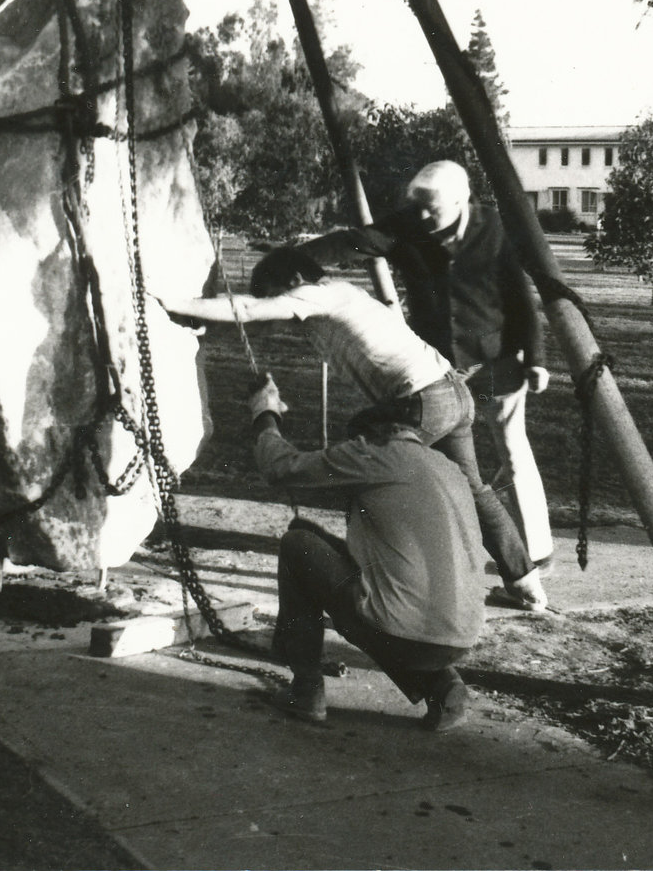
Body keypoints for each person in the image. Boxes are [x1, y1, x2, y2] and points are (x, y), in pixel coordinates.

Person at [158, 244, 548, 612]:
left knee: (366, 479)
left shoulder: (323, 294)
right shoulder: (337, 301)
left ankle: (376, 582)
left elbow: (248, 308)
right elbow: (252, 322)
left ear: (294, 280)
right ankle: (526, 584)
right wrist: (196, 318)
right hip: (450, 392)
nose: (278, 310)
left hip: (423, 400)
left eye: (276, 296)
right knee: (472, 488)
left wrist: (173, 303)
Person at [304, 160, 555, 575]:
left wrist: (538, 360)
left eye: (430, 208)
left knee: (511, 446)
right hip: (439, 370)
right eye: (415, 207)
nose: (420, 217)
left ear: (460, 201)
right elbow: (354, 241)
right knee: (448, 458)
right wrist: (296, 258)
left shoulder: (495, 230)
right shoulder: (410, 226)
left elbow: (522, 300)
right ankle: (445, 546)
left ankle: (536, 552)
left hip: (497, 368)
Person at [245, 373, 483, 730]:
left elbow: (279, 467)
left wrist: (266, 414)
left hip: (404, 634)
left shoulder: (376, 453)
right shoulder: (447, 468)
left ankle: (306, 689)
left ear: (369, 435)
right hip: (458, 639)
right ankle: (445, 687)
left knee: (297, 547)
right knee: (389, 594)